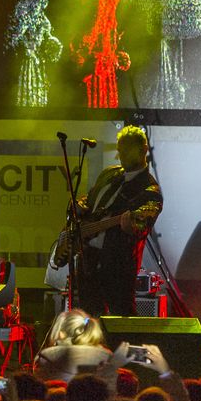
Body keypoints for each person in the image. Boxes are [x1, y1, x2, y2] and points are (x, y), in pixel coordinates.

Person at [74, 125, 162, 316]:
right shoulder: (109, 174)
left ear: (143, 150)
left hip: (117, 267)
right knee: (87, 318)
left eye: (127, 149)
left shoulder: (149, 190)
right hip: (88, 261)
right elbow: (90, 199)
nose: (121, 155)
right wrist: (80, 206)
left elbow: (142, 225)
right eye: (120, 149)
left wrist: (134, 223)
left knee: (120, 316)